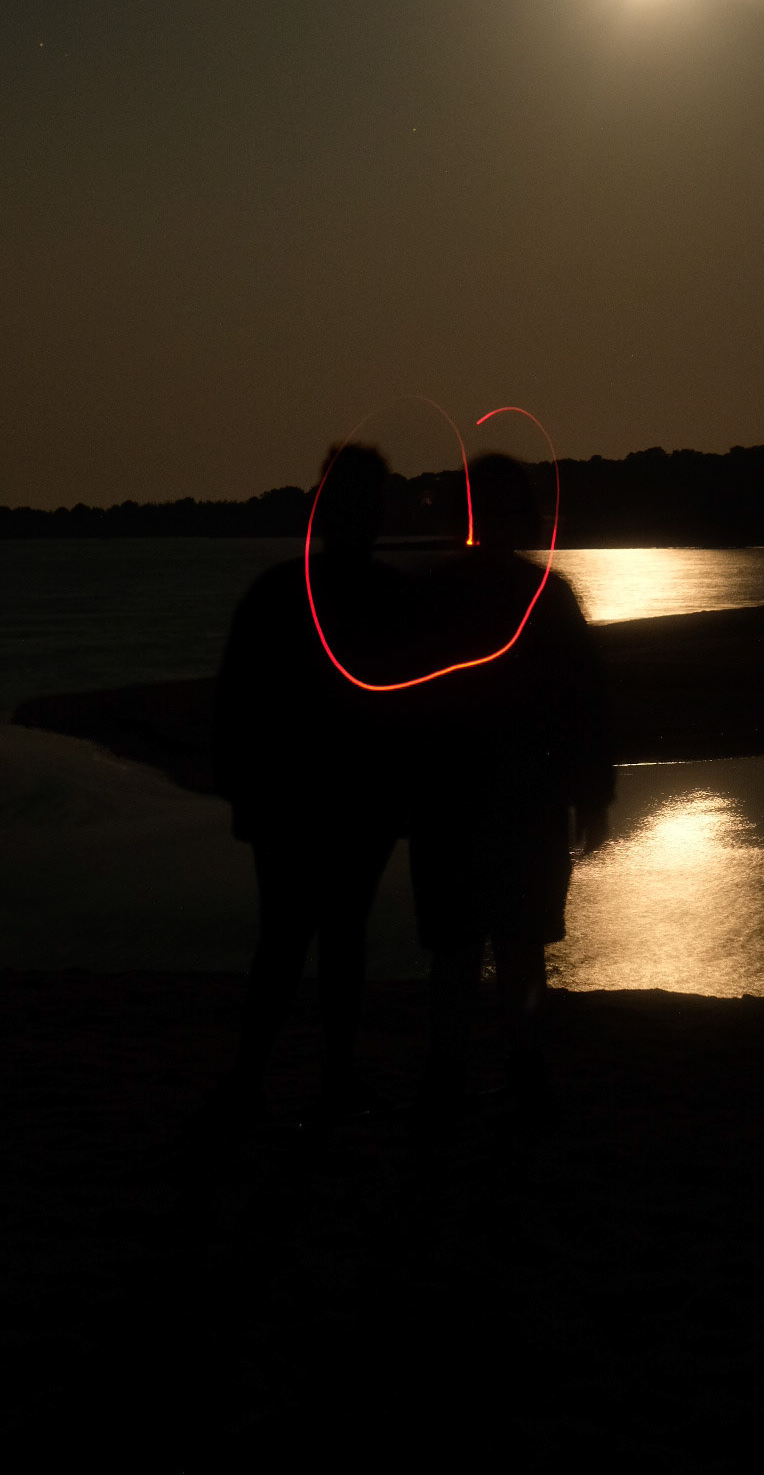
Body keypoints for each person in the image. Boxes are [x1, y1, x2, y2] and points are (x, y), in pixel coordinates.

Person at [209, 442, 417, 1129]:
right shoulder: (387, 596)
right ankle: (313, 1078)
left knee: (293, 937)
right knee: (328, 937)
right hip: (339, 799)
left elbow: (236, 702)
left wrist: (241, 790)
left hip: (304, 798)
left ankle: (263, 1079)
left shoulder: (280, 591)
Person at [409, 452, 614, 1119]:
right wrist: (591, 793)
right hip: (521, 798)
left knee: (461, 950)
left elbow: (404, 706)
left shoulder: (437, 594)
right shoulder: (544, 595)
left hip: (456, 800)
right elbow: (585, 700)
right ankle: (520, 1074)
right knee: (514, 947)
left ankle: (453, 1077)